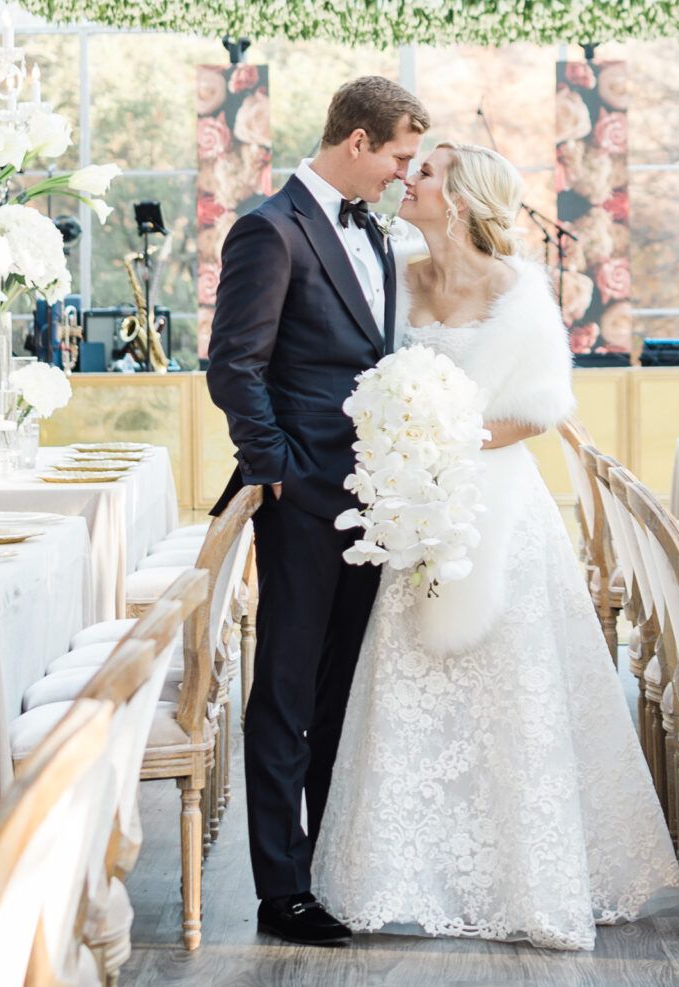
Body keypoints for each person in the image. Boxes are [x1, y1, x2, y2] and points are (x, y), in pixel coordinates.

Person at [313, 141, 679, 950]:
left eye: (430, 171)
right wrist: (404, 445)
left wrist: (448, 435)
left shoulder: (519, 291)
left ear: (464, 199)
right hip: (413, 509)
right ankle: (405, 872)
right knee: (411, 682)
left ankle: (527, 878)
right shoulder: (395, 269)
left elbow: (542, 408)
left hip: (495, 510)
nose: (411, 178)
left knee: (509, 691)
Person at [203, 75, 428, 948]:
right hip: (304, 501)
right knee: (287, 691)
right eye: (399, 157)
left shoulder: (374, 228)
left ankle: (334, 863)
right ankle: (280, 889)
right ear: (360, 142)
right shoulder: (270, 229)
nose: (405, 175)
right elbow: (234, 366)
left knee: (341, 691)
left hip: (373, 500)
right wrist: (282, 473)